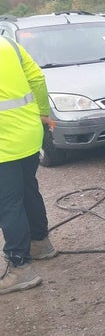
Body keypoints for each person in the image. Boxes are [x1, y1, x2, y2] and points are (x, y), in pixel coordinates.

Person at [0, 36, 57, 295]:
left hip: (3, 142)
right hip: (28, 132)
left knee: (8, 202)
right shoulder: (8, 44)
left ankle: (20, 267)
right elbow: (37, 80)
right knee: (27, 188)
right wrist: (43, 115)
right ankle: (40, 243)